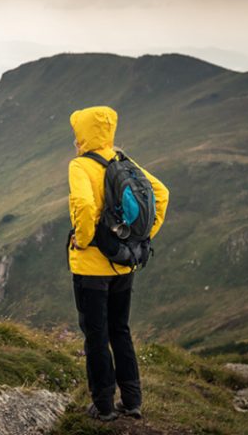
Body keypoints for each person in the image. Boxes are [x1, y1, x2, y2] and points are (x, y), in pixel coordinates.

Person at [67, 106, 169, 421]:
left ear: (83, 134)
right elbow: (161, 194)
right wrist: (141, 238)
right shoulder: (123, 160)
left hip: (91, 270)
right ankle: (133, 401)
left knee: (96, 336)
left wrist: (83, 241)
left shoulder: (80, 165)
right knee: (120, 330)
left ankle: (103, 405)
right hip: (124, 264)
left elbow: (84, 205)